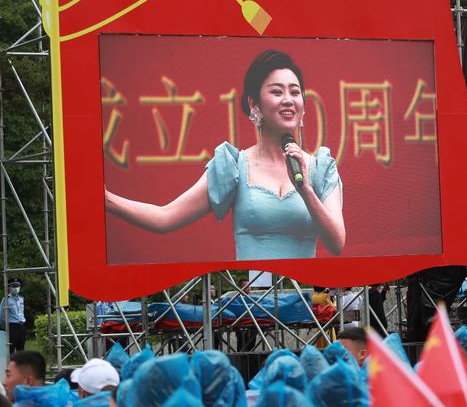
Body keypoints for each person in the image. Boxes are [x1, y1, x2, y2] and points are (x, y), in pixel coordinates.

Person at [105, 50, 345, 261]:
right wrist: (105, 199)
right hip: (254, 297)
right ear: (254, 103)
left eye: (295, 92)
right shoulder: (234, 166)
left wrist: (305, 190)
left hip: (303, 298)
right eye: (276, 92)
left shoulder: (320, 168)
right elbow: (165, 217)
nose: (288, 100)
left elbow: (336, 243)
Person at [0, 278, 26, 353]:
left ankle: (20, 361)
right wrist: (7, 325)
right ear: (9, 288)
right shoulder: (6, 299)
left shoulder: (21, 299)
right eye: (14, 286)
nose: (16, 288)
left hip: (22, 326)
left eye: (17, 286)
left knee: (21, 349)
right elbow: (2, 315)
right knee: (11, 349)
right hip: (12, 326)